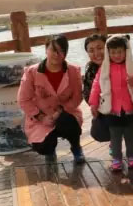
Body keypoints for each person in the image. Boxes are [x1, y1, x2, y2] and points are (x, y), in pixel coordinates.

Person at [82, 34, 133, 163]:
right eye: (91, 50)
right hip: (109, 109)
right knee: (107, 131)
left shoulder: (131, 65)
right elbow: (90, 93)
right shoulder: (93, 71)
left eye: (100, 48)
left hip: (131, 106)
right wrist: (95, 104)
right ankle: (115, 147)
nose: (97, 53)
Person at [18, 35, 85, 164]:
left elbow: (77, 97)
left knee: (67, 122)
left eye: (61, 51)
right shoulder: (31, 72)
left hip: (66, 113)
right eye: (53, 50)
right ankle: (50, 150)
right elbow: (23, 100)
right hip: (41, 117)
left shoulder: (73, 71)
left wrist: (59, 112)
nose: (57, 54)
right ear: (46, 49)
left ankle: (76, 147)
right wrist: (40, 116)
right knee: (43, 146)